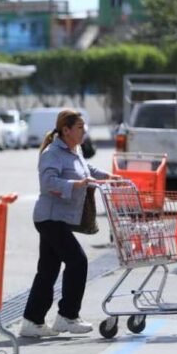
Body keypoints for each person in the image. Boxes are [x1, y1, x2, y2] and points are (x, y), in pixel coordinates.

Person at [19, 109, 119, 338]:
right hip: (50, 218)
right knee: (78, 261)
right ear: (66, 130)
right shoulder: (52, 153)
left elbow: (88, 170)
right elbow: (48, 183)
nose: (84, 131)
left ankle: (32, 321)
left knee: (48, 270)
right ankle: (68, 316)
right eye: (80, 127)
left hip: (59, 219)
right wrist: (77, 184)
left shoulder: (76, 149)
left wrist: (109, 177)